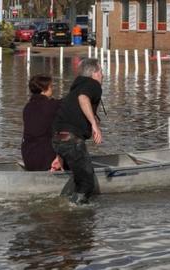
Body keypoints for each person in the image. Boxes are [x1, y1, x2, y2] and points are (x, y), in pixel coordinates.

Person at [52, 58, 103, 205]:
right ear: (94, 73)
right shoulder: (93, 85)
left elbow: (65, 118)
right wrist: (94, 125)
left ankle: (65, 203)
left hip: (57, 139)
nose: (102, 75)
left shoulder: (75, 88)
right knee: (87, 182)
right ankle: (75, 213)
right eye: (101, 71)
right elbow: (83, 98)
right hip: (72, 140)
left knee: (79, 178)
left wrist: (60, 154)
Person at [21, 75, 62, 171]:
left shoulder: (27, 107)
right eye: (51, 86)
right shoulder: (50, 106)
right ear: (44, 89)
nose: (52, 89)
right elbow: (69, 102)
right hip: (45, 159)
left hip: (28, 156)